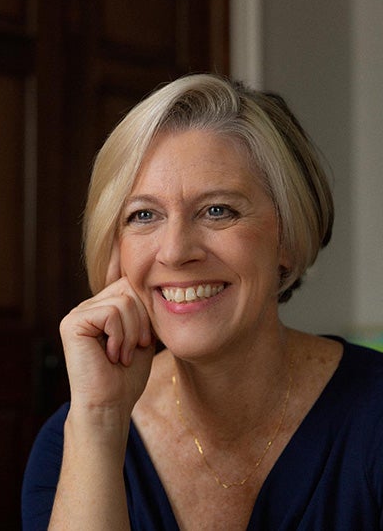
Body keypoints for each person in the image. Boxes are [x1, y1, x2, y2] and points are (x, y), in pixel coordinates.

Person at [22, 73, 383, 530]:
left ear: (287, 236)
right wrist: (98, 421)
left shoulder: (374, 417)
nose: (174, 251)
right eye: (144, 215)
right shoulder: (71, 441)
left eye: (217, 210)